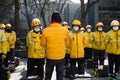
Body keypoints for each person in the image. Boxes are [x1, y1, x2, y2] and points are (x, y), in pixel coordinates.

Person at [41, 11, 70, 80]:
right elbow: (68, 44)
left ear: (51, 20)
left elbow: (43, 44)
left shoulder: (45, 31)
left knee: (48, 75)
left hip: (50, 57)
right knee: (60, 75)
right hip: (61, 57)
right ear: (60, 20)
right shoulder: (65, 31)